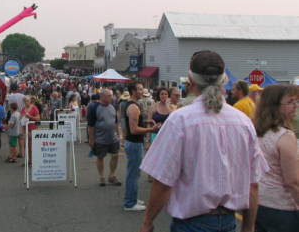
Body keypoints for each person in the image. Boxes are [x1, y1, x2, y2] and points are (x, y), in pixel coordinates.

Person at [139, 50, 268, 232]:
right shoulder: (243, 122)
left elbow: (163, 181)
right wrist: (248, 227)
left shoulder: (180, 120)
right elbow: (252, 185)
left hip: (191, 223)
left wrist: (148, 221)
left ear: (190, 81)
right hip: (228, 221)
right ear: (224, 81)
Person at [255, 85, 299, 232]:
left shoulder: (257, 132)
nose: (295, 106)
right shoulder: (285, 136)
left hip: (259, 202)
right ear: (275, 106)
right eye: (290, 102)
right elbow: (292, 182)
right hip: (282, 206)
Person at [123, 82, 161, 211]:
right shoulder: (133, 107)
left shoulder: (133, 105)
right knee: (133, 174)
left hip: (133, 143)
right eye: (139, 89)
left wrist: (147, 121)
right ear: (133, 91)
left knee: (134, 173)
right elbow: (133, 129)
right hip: (134, 143)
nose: (142, 91)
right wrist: (151, 130)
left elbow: (134, 123)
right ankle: (130, 203)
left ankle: (132, 198)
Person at [87, 89, 121, 187]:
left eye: (112, 95)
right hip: (100, 138)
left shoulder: (113, 106)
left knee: (115, 155)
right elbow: (91, 125)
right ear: (102, 97)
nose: (112, 97)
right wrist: (91, 139)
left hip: (113, 137)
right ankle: (102, 177)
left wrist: (119, 134)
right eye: (110, 95)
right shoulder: (94, 107)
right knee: (100, 157)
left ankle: (112, 175)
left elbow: (115, 122)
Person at [21, 96, 40, 166]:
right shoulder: (23, 109)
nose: (26, 102)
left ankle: (32, 161)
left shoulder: (34, 108)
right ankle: (27, 161)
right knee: (26, 146)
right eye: (25, 101)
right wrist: (22, 130)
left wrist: (30, 117)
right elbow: (22, 119)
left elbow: (38, 118)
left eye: (28, 101)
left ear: (30, 101)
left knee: (31, 147)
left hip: (32, 129)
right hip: (25, 129)